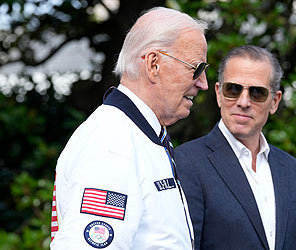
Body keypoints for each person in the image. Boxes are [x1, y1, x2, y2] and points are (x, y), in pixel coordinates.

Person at [50, 7, 209, 249]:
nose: (203, 83)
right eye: (196, 69)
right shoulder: (112, 144)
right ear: (154, 64)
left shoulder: (138, 134)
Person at [175, 45, 296, 250]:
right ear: (218, 93)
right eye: (233, 89)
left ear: (274, 101)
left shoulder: (291, 169)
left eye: (257, 93)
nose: (243, 102)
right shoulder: (186, 162)